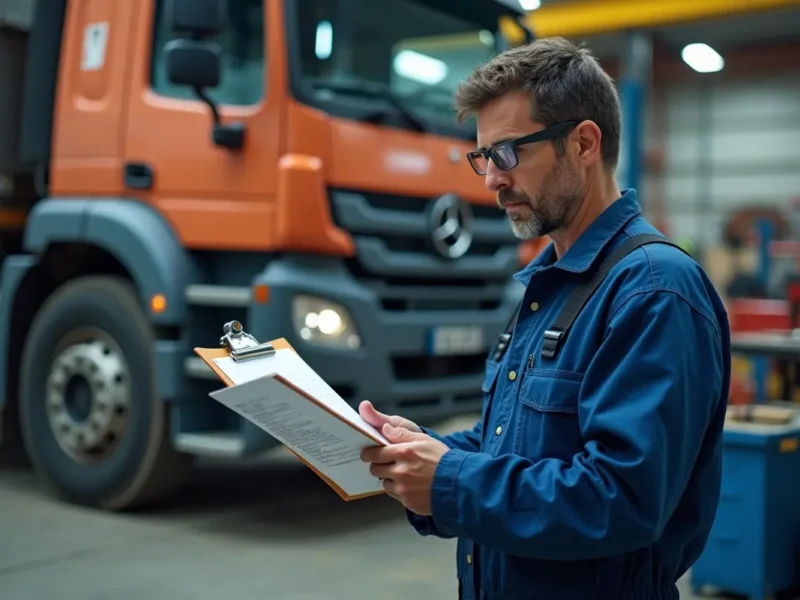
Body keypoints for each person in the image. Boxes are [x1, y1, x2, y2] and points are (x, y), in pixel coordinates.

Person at [359, 36, 731, 599]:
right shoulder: (550, 284)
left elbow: (621, 498)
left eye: (508, 153)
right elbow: (507, 445)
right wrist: (421, 450)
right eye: (483, 157)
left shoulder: (653, 290)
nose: (491, 180)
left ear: (583, 142)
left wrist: (451, 481)